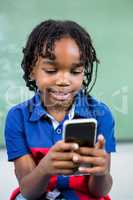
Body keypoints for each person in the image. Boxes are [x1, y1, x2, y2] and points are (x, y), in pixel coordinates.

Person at [4, 19, 116, 200]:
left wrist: (101, 172)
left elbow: (99, 192)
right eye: (50, 70)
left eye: (75, 71)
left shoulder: (101, 115)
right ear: (32, 70)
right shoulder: (17, 117)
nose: (64, 80)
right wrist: (45, 169)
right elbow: (28, 192)